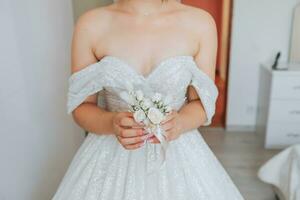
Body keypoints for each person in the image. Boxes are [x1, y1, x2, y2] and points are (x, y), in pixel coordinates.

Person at [52, 0, 244, 199]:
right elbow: (82, 106)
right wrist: (111, 122)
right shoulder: (91, 24)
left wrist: (181, 122)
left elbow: (201, 104)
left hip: (179, 154)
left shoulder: (200, 23)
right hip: (107, 158)